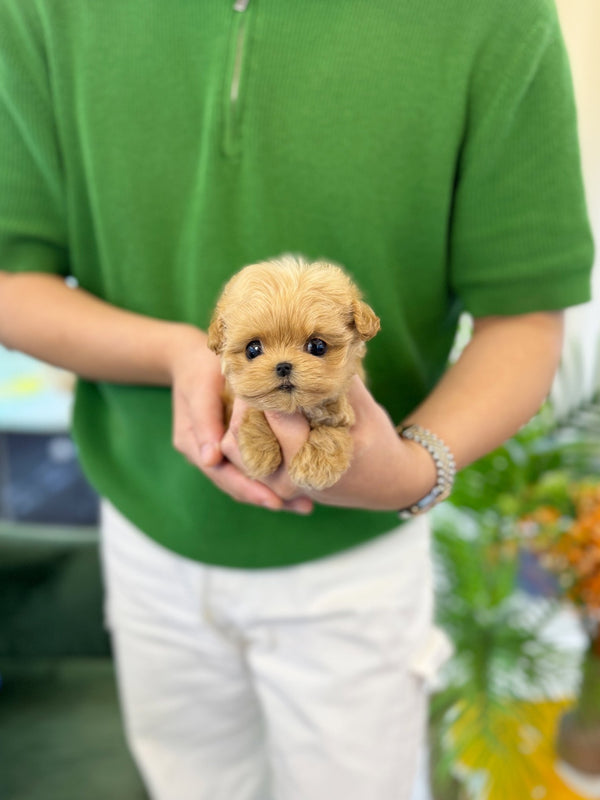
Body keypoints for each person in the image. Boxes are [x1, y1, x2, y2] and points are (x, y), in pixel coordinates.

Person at [0, 1, 594, 798]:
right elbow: (12, 279)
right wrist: (180, 355)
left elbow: (524, 316)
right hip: (144, 533)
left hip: (355, 564)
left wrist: (413, 470)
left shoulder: (492, 17)